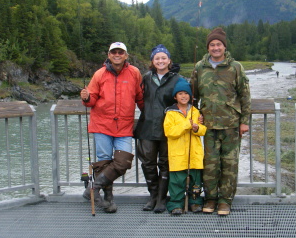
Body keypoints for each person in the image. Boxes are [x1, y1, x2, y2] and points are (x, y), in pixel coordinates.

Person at [190, 27, 251, 216]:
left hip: (231, 125)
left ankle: (225, 201)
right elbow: (192, 96)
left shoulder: (236, 67)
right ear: (208, 48)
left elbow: (245, 96)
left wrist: (244, 121)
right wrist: (195, 117)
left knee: (229, 164)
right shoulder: (200, 67)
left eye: (219, 44)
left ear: (224, 47)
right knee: (210, 164)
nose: (216, 48)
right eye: (212, 45)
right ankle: (210, 198)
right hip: (208, 126)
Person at [80, 42, 144, 213]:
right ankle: (108, 199)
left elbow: (140, 96)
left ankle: (92, 189)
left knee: (122, 162)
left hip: (124, 125)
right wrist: (86, 98)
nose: (117, 54)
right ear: (108, 55)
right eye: (114, 52)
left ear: (126, 55)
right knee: (103, 162)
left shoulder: (134, 73)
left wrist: (150, 113)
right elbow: (91, 100)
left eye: (120, 52)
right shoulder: (99, 74)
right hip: (101, 124)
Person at [134, 44, 181, 213]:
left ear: (169, 60)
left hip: (168, 129)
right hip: (147, 127)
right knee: (147, 163)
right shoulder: (145, 78)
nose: (160, 61)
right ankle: (153, 195)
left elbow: (186, 101)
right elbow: (137, 96)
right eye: (157, 58)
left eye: (163, 58)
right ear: (152, 61)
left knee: (165, 163)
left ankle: (162, 198)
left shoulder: (177, 79)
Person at [163, 78, 206, 215]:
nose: (183, 96)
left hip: (194, 154)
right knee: (177, 181)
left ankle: (195, 202)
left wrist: (196, 128)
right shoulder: (170, 113)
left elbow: (203, 130)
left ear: (190, 96)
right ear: (175, 96)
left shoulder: (195, 111)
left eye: (186, 93)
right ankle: (176, 204)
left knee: (195, 180)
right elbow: (169, 132)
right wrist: (187, 125)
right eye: (180, 94)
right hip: (178, 155)